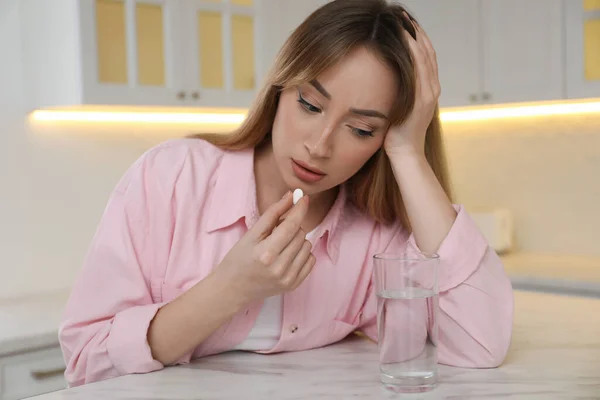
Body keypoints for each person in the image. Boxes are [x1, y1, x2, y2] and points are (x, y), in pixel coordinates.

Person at [58, 0, 513, 387]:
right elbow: (85, 362)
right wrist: (230, 288)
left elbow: (479, 344)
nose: (320, 145)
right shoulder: (172, 178)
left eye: (361, 128)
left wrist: (409, 151)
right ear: (280, 87)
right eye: (310, 105)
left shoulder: (378, 235)